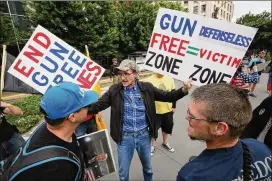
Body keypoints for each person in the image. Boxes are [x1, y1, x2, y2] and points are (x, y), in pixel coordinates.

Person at [87, 59, 192, 181]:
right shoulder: (114, 90)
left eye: (127, 73)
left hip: (144, 137)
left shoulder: (147, 88)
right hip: (124, 138)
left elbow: (168, 96)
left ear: (136, 74)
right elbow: (97, 106)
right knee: (123, 173)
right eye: (121, 74)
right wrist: (77, 108)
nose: (123, 77)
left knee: (148, 168)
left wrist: (184, 89)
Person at [177, 84, 271, 181]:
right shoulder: (261, 149)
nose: (186, 117)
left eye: (192, 115)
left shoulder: (193, 175)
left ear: (220, 129)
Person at [9, 82, 98, 181]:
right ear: (72, 117)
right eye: (87, 105)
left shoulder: (48, 127)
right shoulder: (57, 169)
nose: (89, 107)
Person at [145, 73, 176, 156]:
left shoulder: (170, 79)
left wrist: (174, 106)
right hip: (154, 111)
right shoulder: (148, 80)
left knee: (167, 128)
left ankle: (165, 143)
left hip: (168, 110)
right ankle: (152, 145)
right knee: (153, 129)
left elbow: (173, 93)